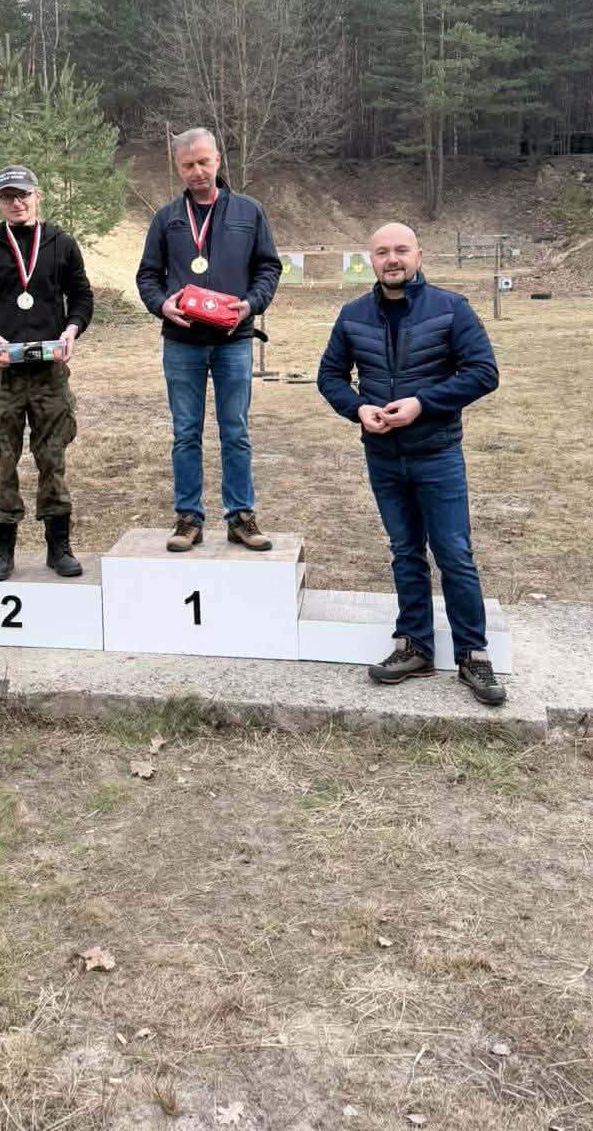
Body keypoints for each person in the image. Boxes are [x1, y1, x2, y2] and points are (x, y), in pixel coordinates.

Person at [315, 223, 505, 706]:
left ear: (419, 255)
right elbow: (330, 375)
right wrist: (357, 408)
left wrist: (423, 403)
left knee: (454, 553)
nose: (392, 259)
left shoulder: (452, 308)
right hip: (383, 456)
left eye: (401, 250)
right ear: (371, 260)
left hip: (437, 453)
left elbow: (484, 372)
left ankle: (473, 655)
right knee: (405, 551)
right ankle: (415, 646)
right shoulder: (353, 315)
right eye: (382, 252)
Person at [136, 127, 282, 553]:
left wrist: (251, 304)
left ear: (218, 159)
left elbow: (268, 268)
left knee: (235, 431)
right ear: (178, 167)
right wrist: (161, 304)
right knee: (186, 433)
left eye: (203, 161)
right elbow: (147, 276)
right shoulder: (167, 218)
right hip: (182, 343)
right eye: (188, 165)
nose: (197, 171)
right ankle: (188, 518)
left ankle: (241, 517)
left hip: (233, 340)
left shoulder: (249, 211)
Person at [0, 165, 94, 582]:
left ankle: (58, 546)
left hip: (50, 372)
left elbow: (82, 297)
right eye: (7, 196)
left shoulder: (61, 243)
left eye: (23, 195)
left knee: (53, 457)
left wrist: (71, 331)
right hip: (3, 374)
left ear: (38, 195)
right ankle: (2, 548)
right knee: (3, 457)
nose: (16, 203)